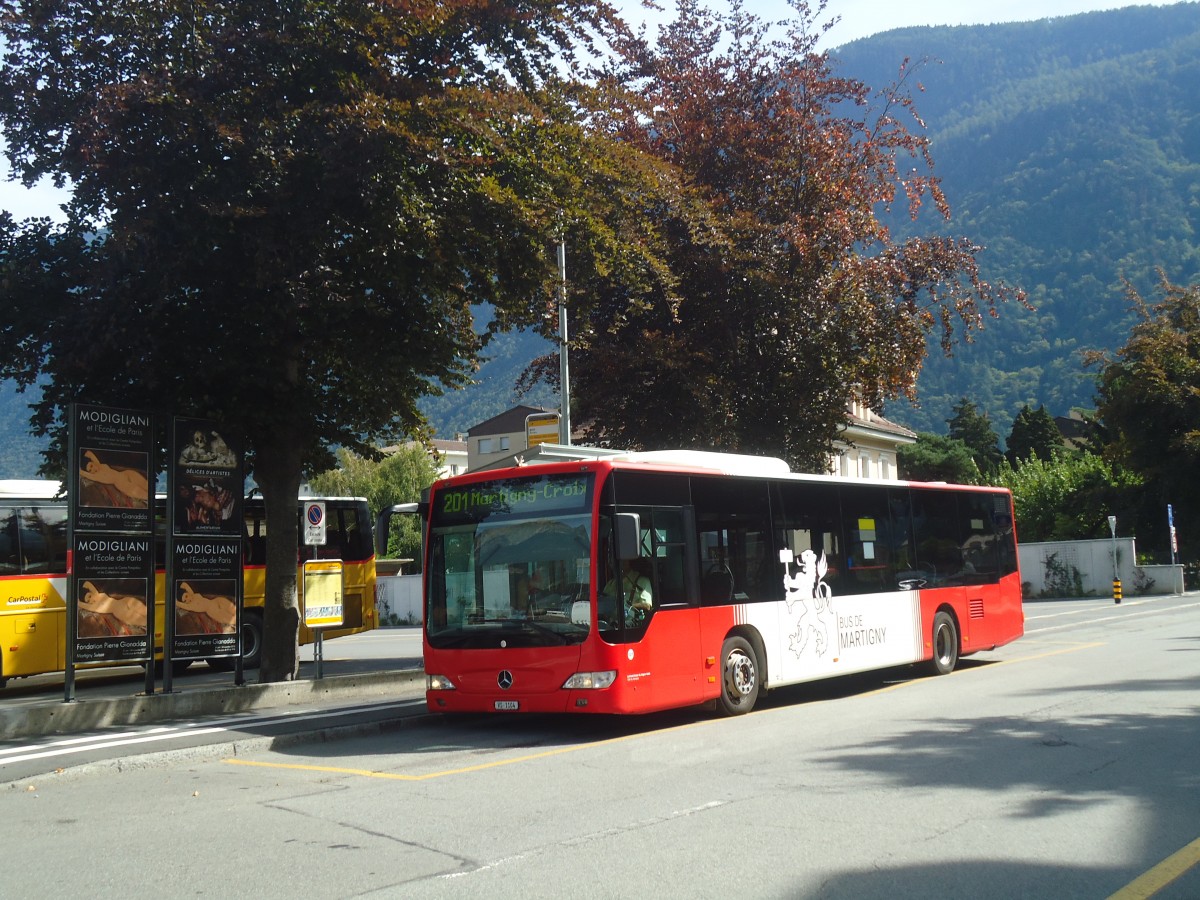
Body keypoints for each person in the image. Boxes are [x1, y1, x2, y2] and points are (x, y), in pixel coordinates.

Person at [600, 557, 653, 625]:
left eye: (623, 558)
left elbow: (647, 606)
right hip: (610, 626)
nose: (619, 562)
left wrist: (627, 607)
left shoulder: (642, 581)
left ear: (630, 561)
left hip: (630, 627)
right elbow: (603, 603)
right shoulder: (610, 583)